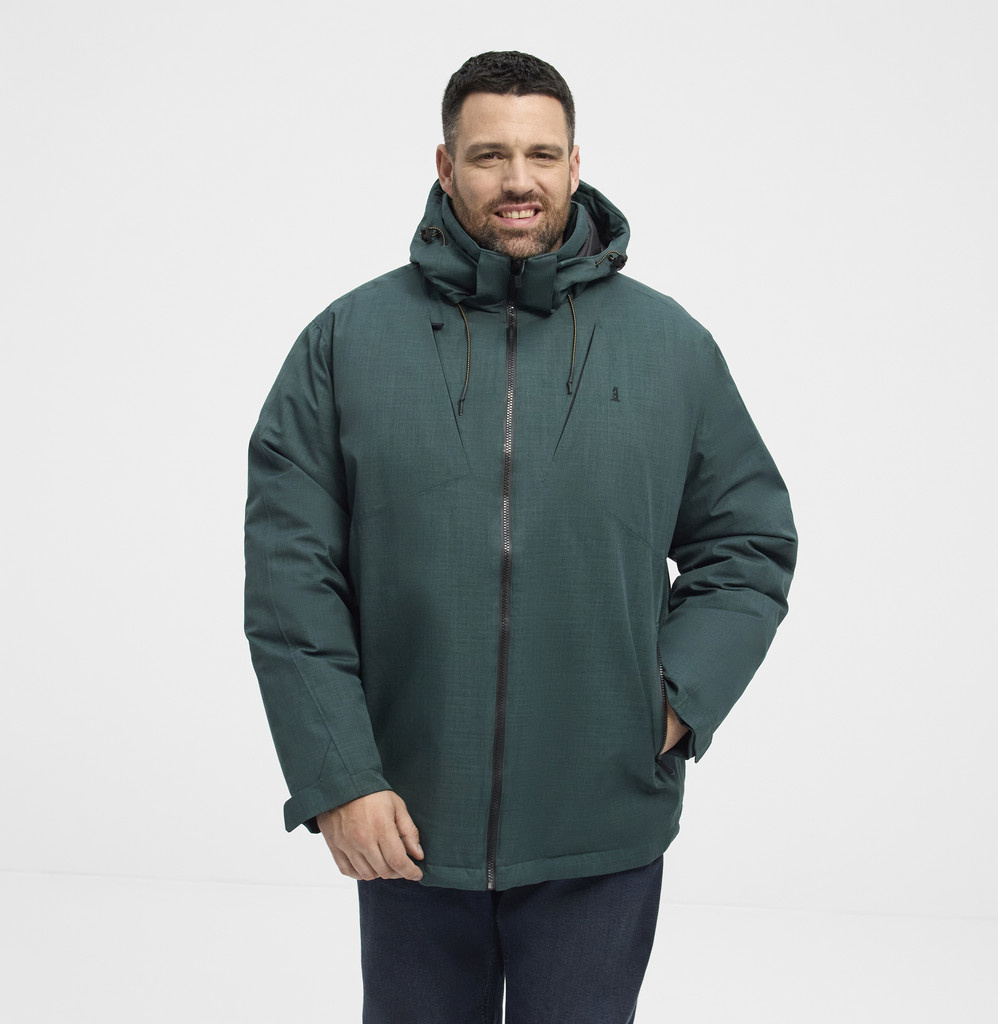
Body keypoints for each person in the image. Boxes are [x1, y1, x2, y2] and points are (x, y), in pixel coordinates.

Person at [244, 50, 797, 1024]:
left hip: (602, 816)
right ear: (445, 163)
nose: (517, 179)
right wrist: (338, 776)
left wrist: (670, 701)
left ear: (575, 164)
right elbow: (293, 577)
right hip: (408, 817)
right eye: (489, 154)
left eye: (541, 154)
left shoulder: (670, 347)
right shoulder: (347, 342)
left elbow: (746, 543)